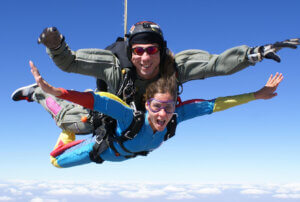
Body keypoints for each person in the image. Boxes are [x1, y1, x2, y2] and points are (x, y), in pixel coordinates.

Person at [12, 21, 299, 135]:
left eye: (151, 50)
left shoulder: (174, 67)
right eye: (138, 50)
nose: (145, 58)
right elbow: (71, 62)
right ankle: (39, 95)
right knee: (71, 122)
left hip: (145, 119)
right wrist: (56, 46)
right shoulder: (114, 66)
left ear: (160, 51)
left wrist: (255, 54)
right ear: (131, 51)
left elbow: (216, 65)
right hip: (111, 113)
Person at [30, 61, 283, 168]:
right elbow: (101, 101)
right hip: (101, 150)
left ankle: (64, 121)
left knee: (57, 160)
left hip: (117, 155)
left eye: (169, 108)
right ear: (146, 105)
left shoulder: (175, 118)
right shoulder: (131, 118)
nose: (162, 114)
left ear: (175, 107)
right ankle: (45, 101)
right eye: (156, 107)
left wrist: (256, 95)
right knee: (55, 162)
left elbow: (214, 104)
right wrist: (57, 91)